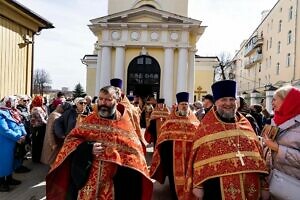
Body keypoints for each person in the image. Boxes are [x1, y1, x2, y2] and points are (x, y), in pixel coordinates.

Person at [46, 86, 153, 200]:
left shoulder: (124, 124)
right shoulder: (90, 120)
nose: (103, 103)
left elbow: (135, 153)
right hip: (88, 179)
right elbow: (71, 140)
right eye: (101, 99)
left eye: (108, 99)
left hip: (115, 183)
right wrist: (88, 148)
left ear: (116, 101)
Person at [185, 80, 269, 200]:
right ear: (216, 102)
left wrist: (264, 185)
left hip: (249, 187)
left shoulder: (245, 124)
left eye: (231, 99)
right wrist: (198, 185)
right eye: (223, 100)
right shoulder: (206, 126)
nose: (228, 103)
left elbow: (258, 155)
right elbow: (198, 158)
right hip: (216, 188)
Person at [150, 92, 199, 200]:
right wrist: (167, 160)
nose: (184, 106)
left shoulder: (194, 122)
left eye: (186, 104)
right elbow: (162, 140)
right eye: (182, 104)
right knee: (174, 185)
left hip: (190, 161)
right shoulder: (170, 121)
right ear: (177, 105)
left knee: (190, 183)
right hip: (173, 161)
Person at [263, 85, 300, 200]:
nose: (271, 103)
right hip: (271, 184)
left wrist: (278, 148)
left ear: (288, 100)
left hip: (292, 187)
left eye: (274, 99)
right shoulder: (275, 121)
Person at [0, 96, 26, 192]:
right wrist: (17, 137)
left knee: (11, 161)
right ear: (8, 102)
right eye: (15, 101)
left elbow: (19, 123)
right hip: (4, 143)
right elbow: (4, 130)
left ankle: (9, 179)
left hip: (12, 141)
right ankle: (1, 183)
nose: (16, 103)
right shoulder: (1, 113)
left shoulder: (11, 111)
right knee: (3, 163)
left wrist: (23, 134)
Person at [30, 95, 48, 163]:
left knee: (39, 143)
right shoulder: (36, 109)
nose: (43, 100)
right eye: (42, 99)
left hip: (41, 127)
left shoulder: (41, 107)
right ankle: (36, 159)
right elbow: (41, 119)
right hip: (37, 128)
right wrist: (49, 123)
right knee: (37, 143)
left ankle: (38, 157)